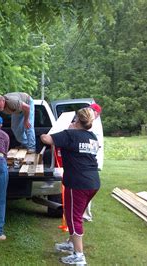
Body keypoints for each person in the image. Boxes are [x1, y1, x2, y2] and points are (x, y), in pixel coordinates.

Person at [40, 107, 100, 265]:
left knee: (73, 218)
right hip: (93, 182)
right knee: (77, 214)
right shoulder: (92, 136)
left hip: (77, 183)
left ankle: (79, 256)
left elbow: (46, 139)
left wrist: (64, 129)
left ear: (77, 120)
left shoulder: (70, 134)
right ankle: (71, 243)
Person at [82, 103, 104, 222]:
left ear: (96, 113)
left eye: (91, 110)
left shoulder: (94, 124)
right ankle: (84, 213)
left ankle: (86, 215)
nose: (89, 112)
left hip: (91, 161)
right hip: (90, 160)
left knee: (87, 188)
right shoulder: (93, 123)